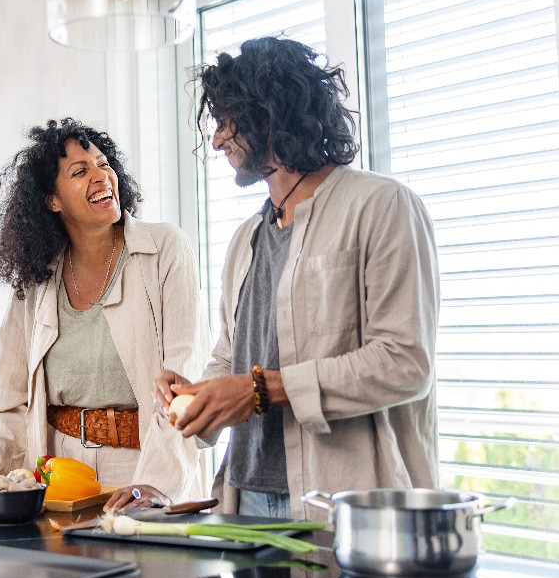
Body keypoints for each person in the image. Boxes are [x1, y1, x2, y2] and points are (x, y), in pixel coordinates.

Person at [154, 37, 440, 519]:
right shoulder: (245, 238)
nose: (217, 139)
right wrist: (200, 396)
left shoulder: (382, 206)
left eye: (227, 121)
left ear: (270, 113)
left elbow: (404, 363)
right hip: (244, 498)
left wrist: (259, 390)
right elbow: (231, 358)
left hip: (346, 501)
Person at [0, 118, 205, 511]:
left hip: (142, 464)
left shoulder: (165, 248)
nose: (101, 176)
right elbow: (10, 400)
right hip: (55, 472)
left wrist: (155, 484)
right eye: (80, 171)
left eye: (103, 163)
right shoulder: (36, 276)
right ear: (52, 200)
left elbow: (186, 381)